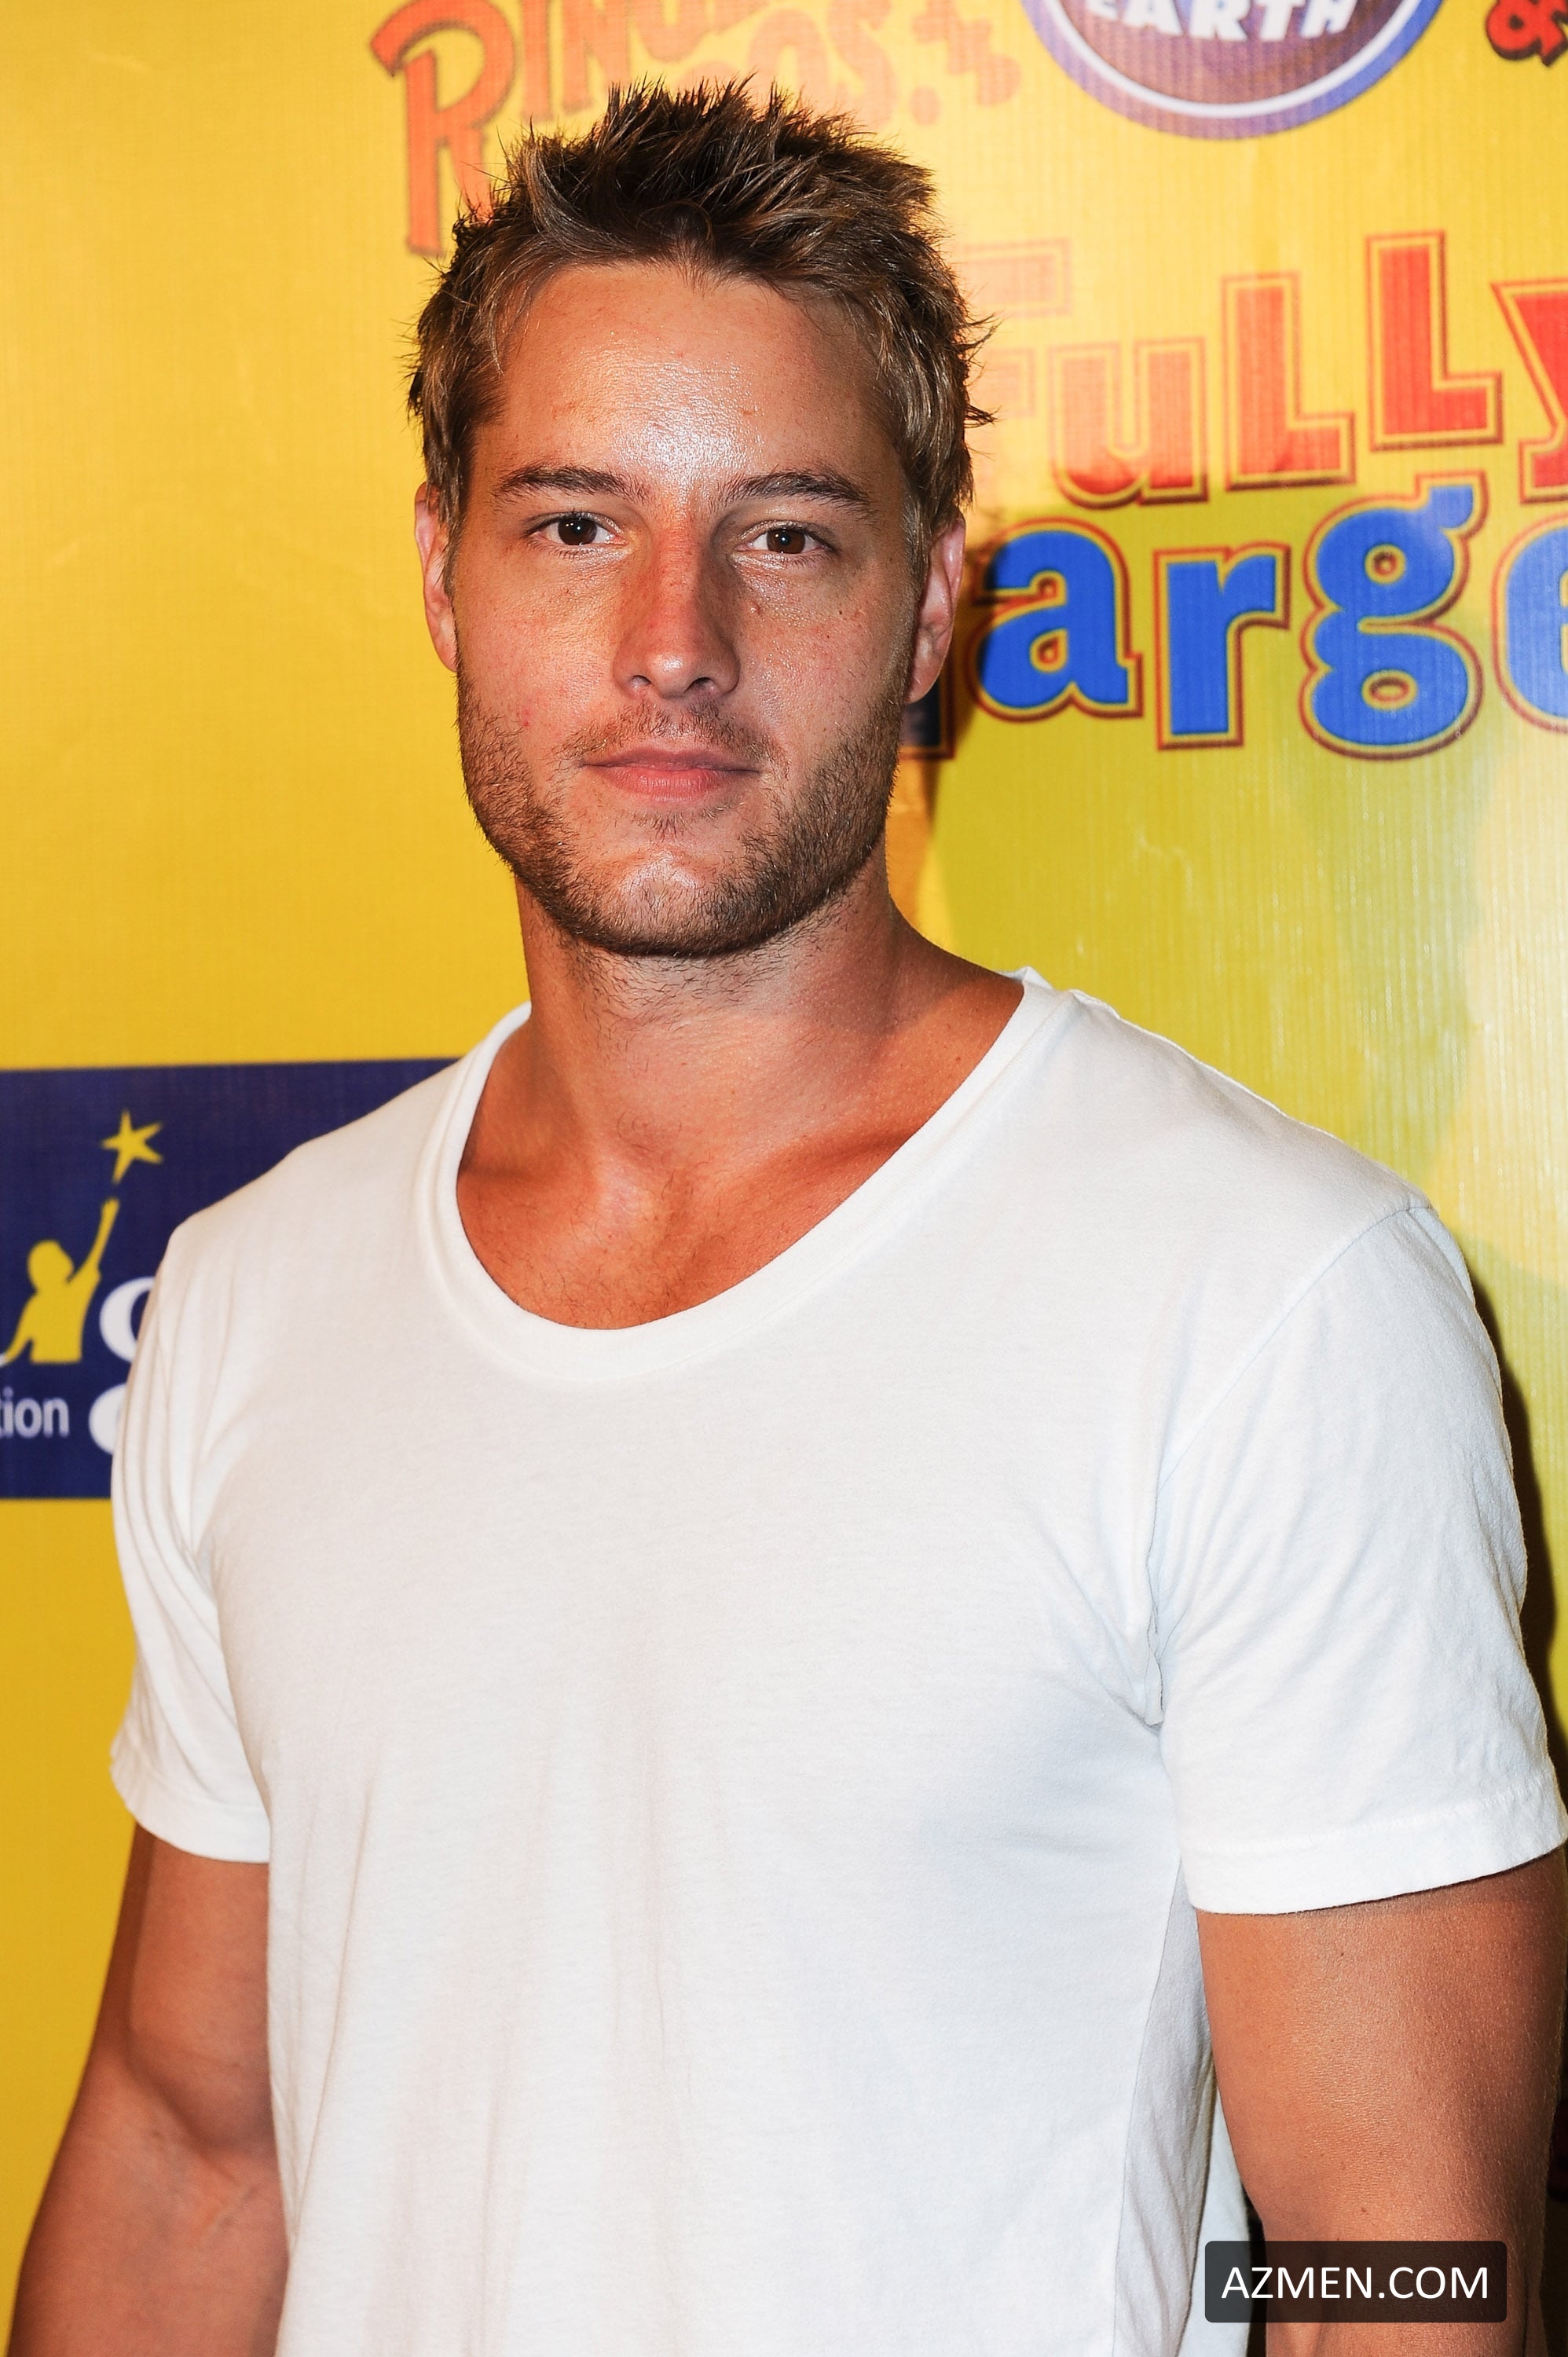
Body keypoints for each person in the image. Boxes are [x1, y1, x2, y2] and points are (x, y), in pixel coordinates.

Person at [9, 81, 1566, 2357]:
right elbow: (195, 2144)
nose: (673, 640)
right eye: (575, 524)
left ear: (933, 602)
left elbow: (1392, 2257)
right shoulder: (254, 1296)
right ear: (439, 572)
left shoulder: (1257, 1300)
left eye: (789, 535)